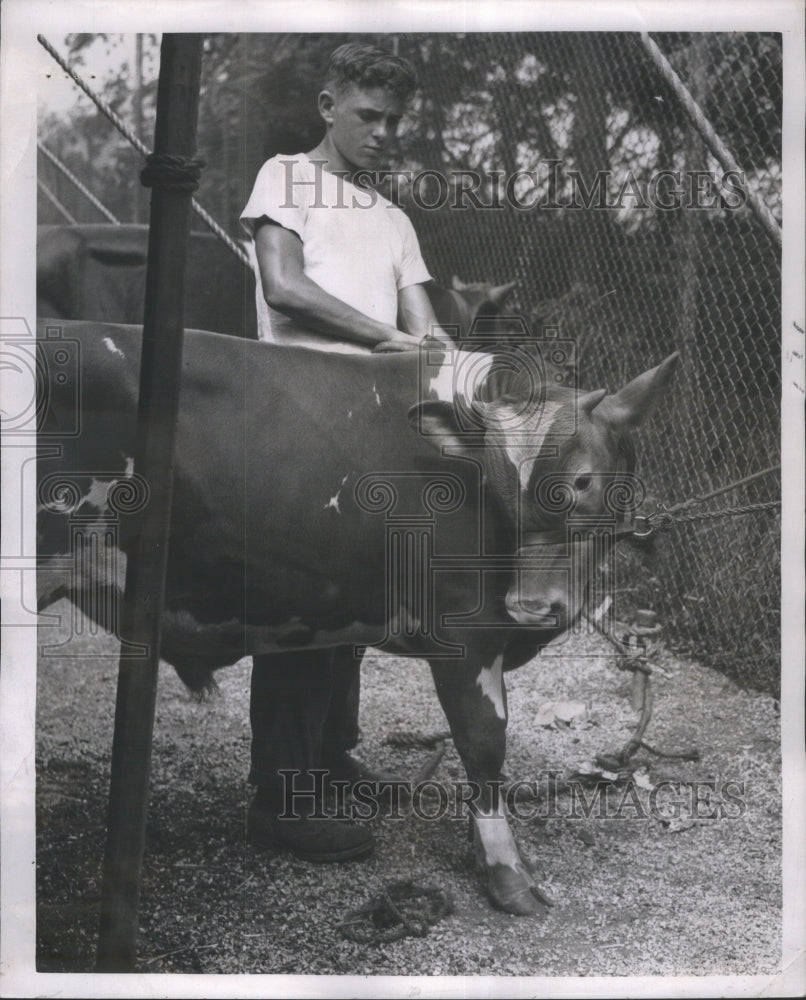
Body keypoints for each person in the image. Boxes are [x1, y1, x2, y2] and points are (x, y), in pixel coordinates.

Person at [239, 42, 450, 862]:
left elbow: (426, 326)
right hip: (293, 420)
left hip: (375, 430)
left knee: (356, 592)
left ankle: (328, 754)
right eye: (368, 115)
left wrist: (443, 354)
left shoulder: (393, 219)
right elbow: (283, 287)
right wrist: (392, 339)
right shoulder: (286, 176)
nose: (383, 132)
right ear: (329, 105)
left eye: (396, 120)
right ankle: (280, 797)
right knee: (304, 600)